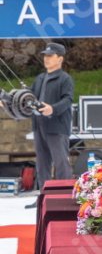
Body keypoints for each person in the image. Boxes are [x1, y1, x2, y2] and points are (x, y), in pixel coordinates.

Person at [27, 42, 74, 204]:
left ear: (60, 59)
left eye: (50, 56)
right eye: (45, 56)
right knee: (42, 163)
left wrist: (52, 109)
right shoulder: (40, 78)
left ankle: (65, 196)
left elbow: (68, 100)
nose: (46, 59)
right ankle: (43, 197)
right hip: (39, 125)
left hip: (57, 127)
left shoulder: (65, 79)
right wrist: (10, 102)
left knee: (61, 162)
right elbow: (29, 98)